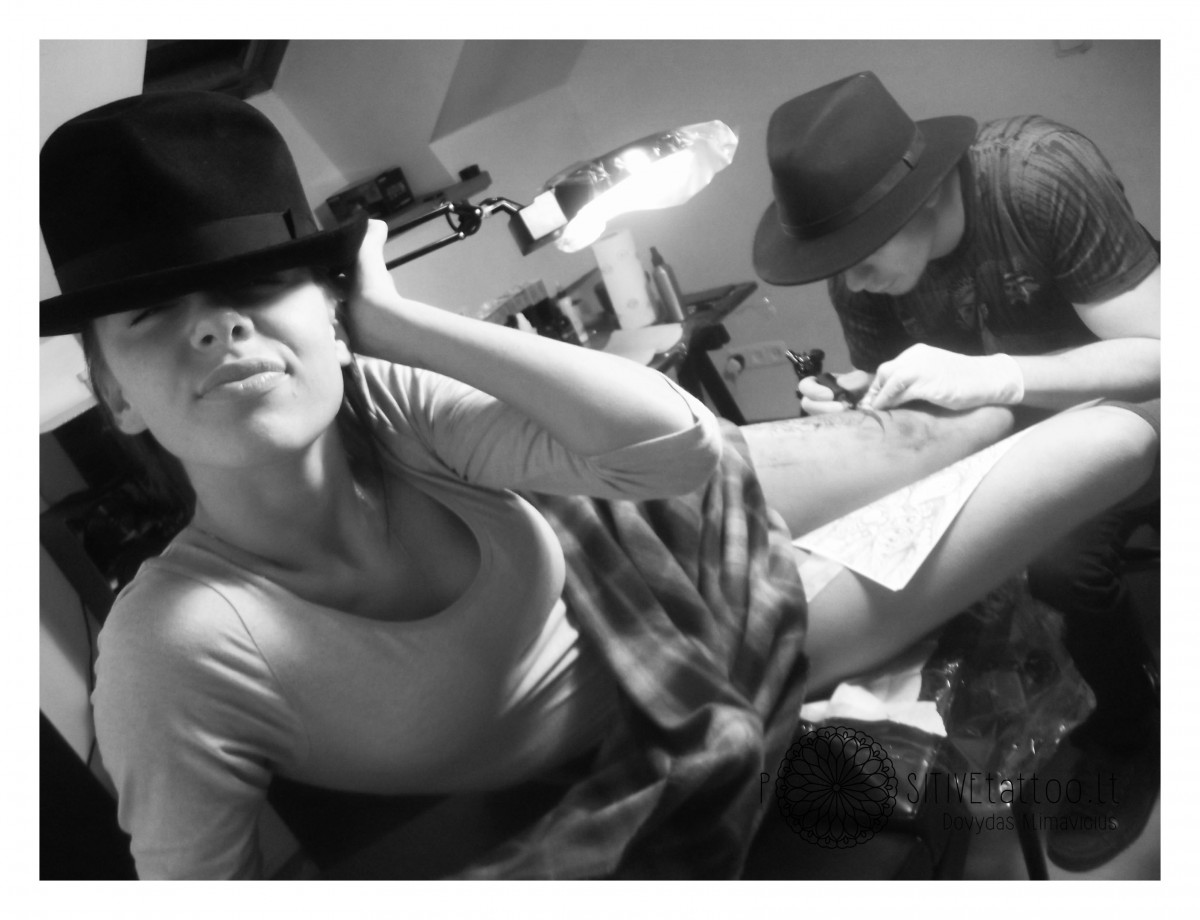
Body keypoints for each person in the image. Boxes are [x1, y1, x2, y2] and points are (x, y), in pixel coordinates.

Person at [39, 91, 1159, 879]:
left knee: (975, 418)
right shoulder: (169, 653)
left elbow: (676, 456)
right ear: (112, 392)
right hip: (697, 657)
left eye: (258, 286)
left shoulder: (389, 404)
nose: (219, 328)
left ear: (332, 311)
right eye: (153, 315)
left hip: (651, 536)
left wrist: (400, 325)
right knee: (1107, 444)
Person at [752, 71, 1161, 871]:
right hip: (998, 431)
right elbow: (913, 396)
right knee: (917, 564)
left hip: (1132, 406)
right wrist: (857, 400)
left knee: (1058, 565)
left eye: (859, 256)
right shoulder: (862, 271)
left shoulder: (1038, 177)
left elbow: (1163, 355)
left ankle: (1130, 737)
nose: (850, 281)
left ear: (926, 196)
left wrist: (1000, 377)